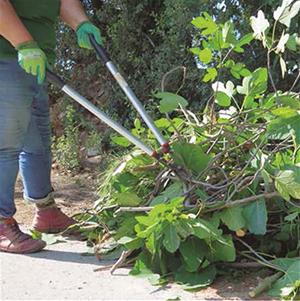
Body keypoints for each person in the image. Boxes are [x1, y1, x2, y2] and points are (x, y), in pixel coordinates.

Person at [0, 0, 103, 254]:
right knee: (6, 144)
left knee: (37, 144)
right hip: (7, 57)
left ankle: (46, 212)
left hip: (37, 60)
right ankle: (1, 223)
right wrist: (23, 43)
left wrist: (82, 23)